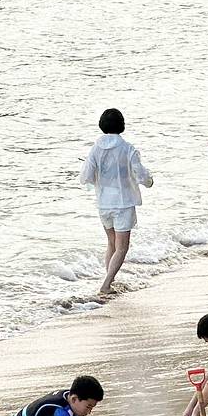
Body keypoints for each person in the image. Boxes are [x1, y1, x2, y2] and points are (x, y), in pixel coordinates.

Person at [80, 107, 153, 295]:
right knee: (122, 247)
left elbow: (86, 176)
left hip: (103, 203)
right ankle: (106, 284)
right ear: (122, 125)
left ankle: (109, 281)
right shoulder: (127, 149)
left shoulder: (95, 148)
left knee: (111, 243)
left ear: (102, 125)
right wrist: (149, 181)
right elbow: (141, 174)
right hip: (123, 203)